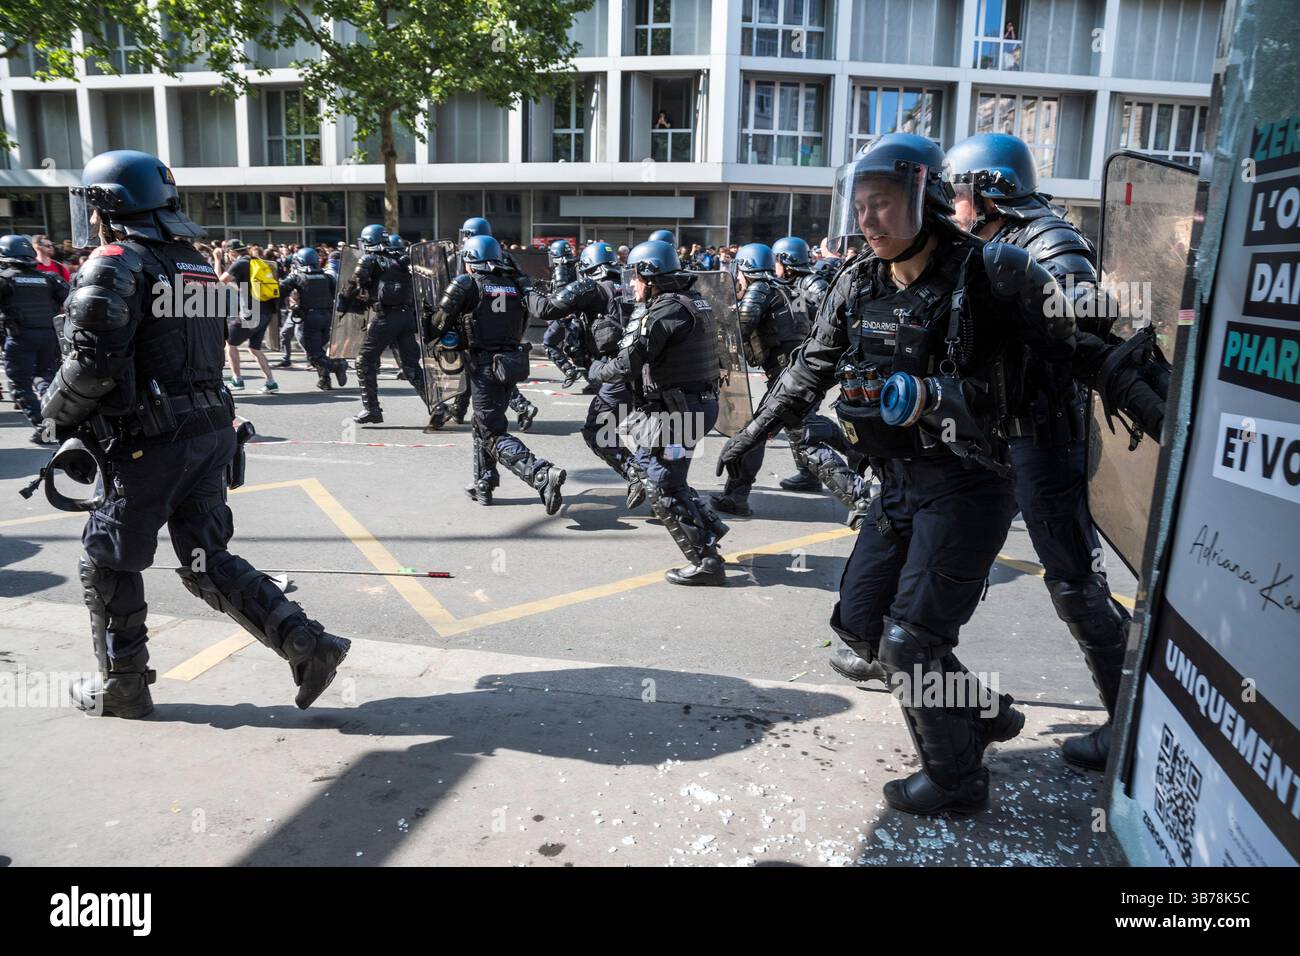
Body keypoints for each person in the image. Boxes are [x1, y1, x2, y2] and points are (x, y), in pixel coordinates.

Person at [715, 134, 1093, 814]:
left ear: (925, 199)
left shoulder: (992, 273)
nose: (868, 220)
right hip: (895, 482)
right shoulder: (857, 279)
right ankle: (979, 715)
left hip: (970, 482)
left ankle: (957, 780)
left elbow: (1068, 362)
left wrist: (953, 400)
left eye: (883, 203)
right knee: (861, 627)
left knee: (910, 640)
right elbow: (811, 366)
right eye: (860, 206)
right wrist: (753, 429)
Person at [40, 149, 349, 718]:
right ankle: (308, 646)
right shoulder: (198, 264)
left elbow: (92, 364)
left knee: (107, 561)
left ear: (105, 205)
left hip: (148, 442)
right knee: (206, 556)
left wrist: (52, 415)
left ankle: (123, 688)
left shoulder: (116, 260)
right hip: (210, 431)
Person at [942, 132, 1145, 770]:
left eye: (959, 192)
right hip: (1001, 430)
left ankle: (1131, 723)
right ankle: (896, 652)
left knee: (1074, 581)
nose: (953, 206)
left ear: (989, 188)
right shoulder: (991, 242)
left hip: (1045, 437)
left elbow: (1075, 345)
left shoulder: (1051, 244)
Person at [588, 240, 729, 586]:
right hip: (688, 408)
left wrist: (595, 371)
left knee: (661, 485)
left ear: (650, 276)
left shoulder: (664, 311)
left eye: (635, 277)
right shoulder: (691, 302)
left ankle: (706, 561)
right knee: (663, 475)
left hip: (680, 415)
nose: (631, 284)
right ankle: (710, 526)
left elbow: (626, 364)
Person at [428, 234, 567, 512]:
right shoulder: (515, 283)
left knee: (492, 432)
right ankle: (484, 483)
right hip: (511, 363)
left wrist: (429, 321)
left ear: (469, 260)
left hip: (484, 365)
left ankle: (540, 474)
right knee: (483, 425)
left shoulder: (467, 283)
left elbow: (438, 324)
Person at [538, 240, 645, 506]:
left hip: (615, 372)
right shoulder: (632, 285)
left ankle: (637, 474)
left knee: (597, 432)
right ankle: (660, 488)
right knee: (648, 434)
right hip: (644, 373)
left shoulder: (596, 289)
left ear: (587, 268)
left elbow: (551, 308)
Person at [712, 242, 812, 517]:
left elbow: (741, 326)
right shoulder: (786, 288)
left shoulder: (759, 288)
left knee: (755, 434)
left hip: (785, 376)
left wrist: (714, 342)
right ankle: (737, 495)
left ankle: (859, 496)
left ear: (745, 267)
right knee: (799, 432)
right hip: (796, 373)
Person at [339, 223, 425, 424]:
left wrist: (344, 304)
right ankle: (438, 406)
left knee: (364, 361)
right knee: (411, 366)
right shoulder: (402, 259)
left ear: (369, 241)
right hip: (406, 317)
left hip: (386, 317)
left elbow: (354, 284)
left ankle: (372, 410)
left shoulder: (370, 259)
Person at [1, 234, 69, 443]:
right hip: (49, 337)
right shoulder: (49, 278)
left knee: (19, 385)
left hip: (20, 338)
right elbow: (70, 299)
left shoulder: (5, 280)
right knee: (44, 378)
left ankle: (45, 429)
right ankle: (57, 422)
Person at [279, 247, 348, 391]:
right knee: (319, 350)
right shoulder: (327, 276)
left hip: (310, 318)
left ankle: (337, 366)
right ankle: (325, 380)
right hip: (327, 317)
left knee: (313, 354)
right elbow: (336, 295)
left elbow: (279, 291)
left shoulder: (297, 276)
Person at [218, 240, 280, 394]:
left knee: (230, 344)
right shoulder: (256, 261)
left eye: (228, 254)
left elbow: (219, 282)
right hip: (265, 312)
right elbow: (243, 286)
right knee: (255, 348)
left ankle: (237, 380)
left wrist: (217, 260)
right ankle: (271, 382)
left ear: (232, 252)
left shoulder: (239, 264)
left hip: (250, 313)